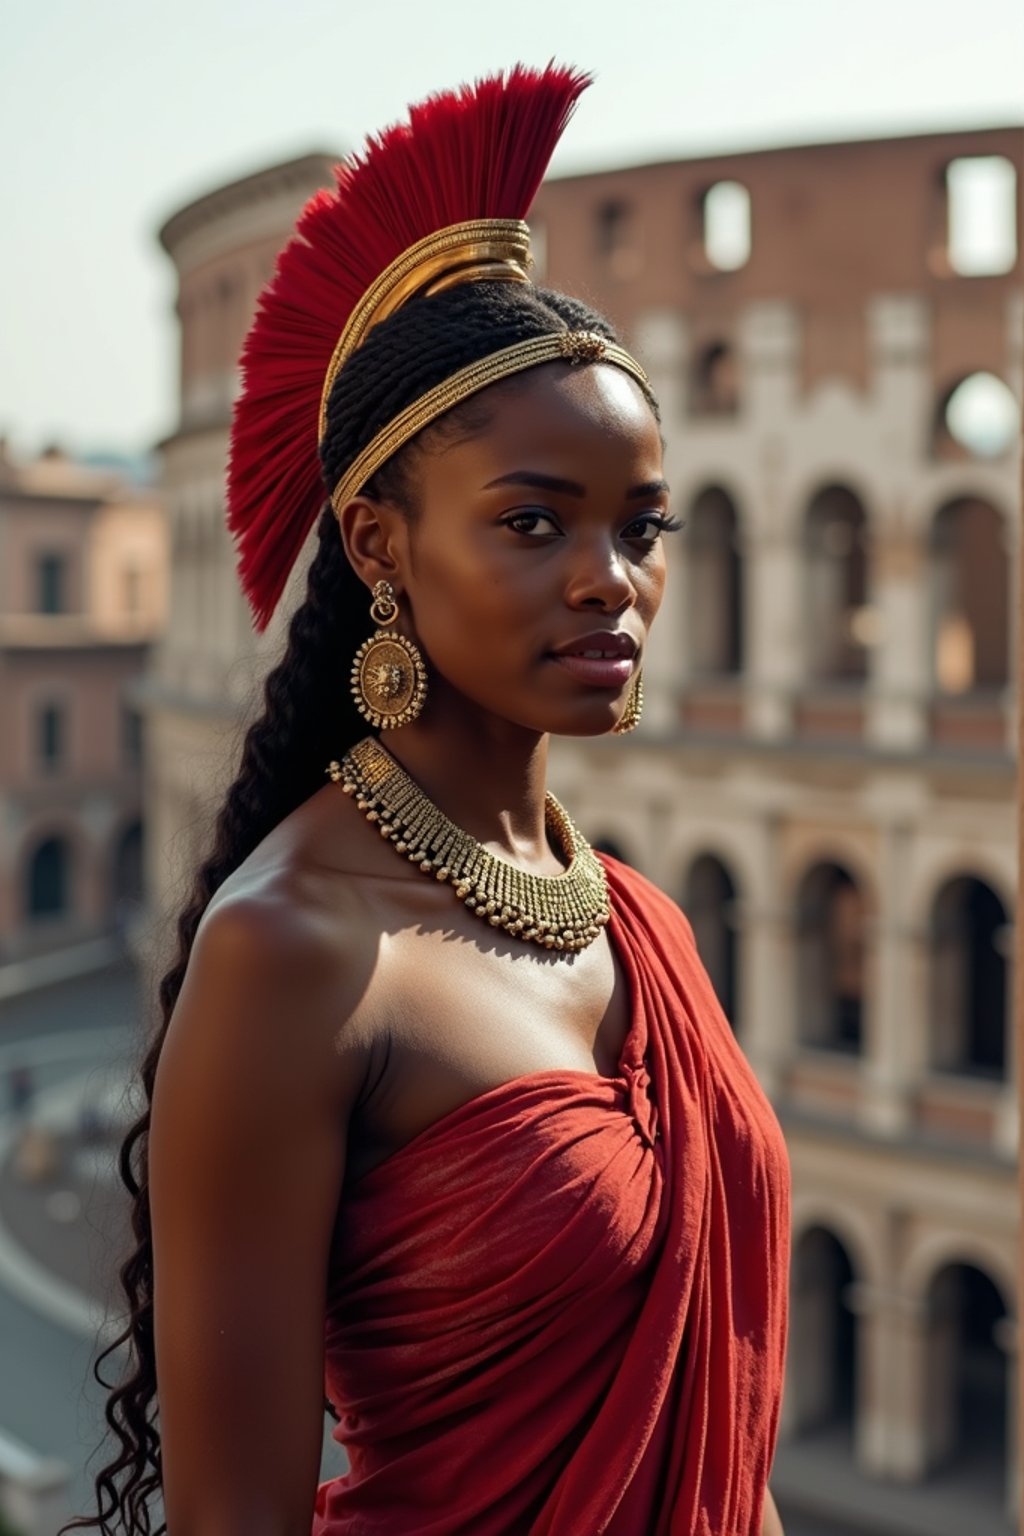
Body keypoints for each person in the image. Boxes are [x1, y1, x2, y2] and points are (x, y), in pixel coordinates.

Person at [62, 64, 790, 1536]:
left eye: (639, 527)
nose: (613, 580)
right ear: (380, 544)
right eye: (535, 522)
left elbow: (732, 1457)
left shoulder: (642, 917)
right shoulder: (297, 952)